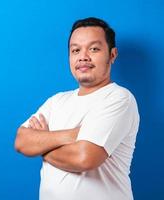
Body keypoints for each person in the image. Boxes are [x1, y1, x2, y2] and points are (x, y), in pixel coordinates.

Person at [14, 17, 140, 200]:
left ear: (112, 55)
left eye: (94, 49)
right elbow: (21, 141)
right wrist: (74, 135)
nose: (83, 57)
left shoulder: (119, 98)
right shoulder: (56, 101)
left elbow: (84, 158)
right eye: (75, 50)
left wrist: (42, 145)